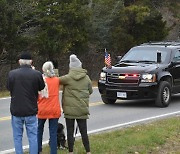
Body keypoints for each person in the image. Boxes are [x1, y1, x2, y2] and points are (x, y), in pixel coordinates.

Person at [6, 52, 45, 154]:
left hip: (16, 110)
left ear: (19, 62)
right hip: (31, 110)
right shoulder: (36, 74)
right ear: (31, 62)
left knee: (17, 137)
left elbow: (9, 87)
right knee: (33, 137)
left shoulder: (12, 74)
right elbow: (42, 87)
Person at [59, 54, 93, 154]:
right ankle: (88, 151)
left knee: (70, 131)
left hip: (69, 111)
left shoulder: (67, 78)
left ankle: (71, 151)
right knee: (84, 132)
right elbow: (90, 91)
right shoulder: (86, 78)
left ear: (71, 67)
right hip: (82, 109)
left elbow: (55, 81)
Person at [37, 61, 61, 154]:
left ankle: (39, 150)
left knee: (39, 130)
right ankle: (53, 151)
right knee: (53, 132)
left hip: (42, 108)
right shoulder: (56, 80)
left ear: (43, 69)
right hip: (54, 109)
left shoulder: (41, 80)